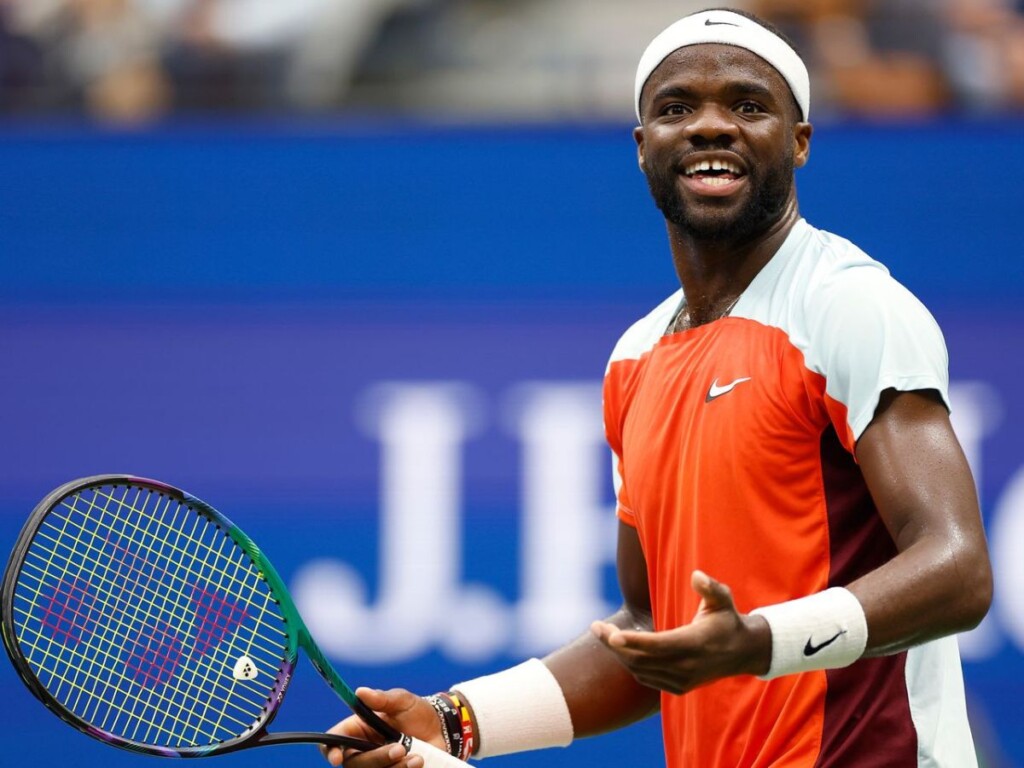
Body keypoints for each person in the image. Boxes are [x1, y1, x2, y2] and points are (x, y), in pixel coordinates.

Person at [322, 7, 993, 767]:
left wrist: (758, 644)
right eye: (677, 109)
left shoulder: (851, 306)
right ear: (643, 150)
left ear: (800, 141)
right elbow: (649, 626)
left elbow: (958, 569)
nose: (710, 126)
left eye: (747, 104)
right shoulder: (635, 359)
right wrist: (454, 720)